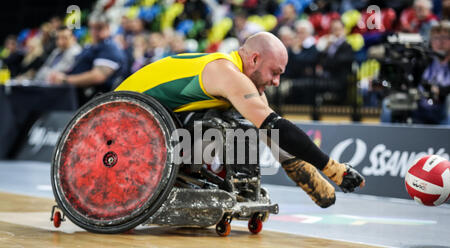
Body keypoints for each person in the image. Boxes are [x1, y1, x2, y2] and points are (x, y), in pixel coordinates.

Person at [115, 32, 365, 208]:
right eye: (274, 73)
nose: (276, 82)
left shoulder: (237, 79)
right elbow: (277, 127)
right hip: (121, 119)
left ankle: (189, 178)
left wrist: (316, 184)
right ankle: (187, 177)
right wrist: (333, 167)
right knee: (227, 120)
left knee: (240, 121)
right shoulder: (227, 73)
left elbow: (276, 137)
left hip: (151, 115)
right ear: (254, 59)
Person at [48, 14, 127, 103]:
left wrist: (65, 80)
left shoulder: (109, 47)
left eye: (99, 28)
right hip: (76, 96)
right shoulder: (92, 46)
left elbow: (98, 76)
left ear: (108, 27)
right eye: (92, 28)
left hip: (94, 101)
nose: (95, 32)